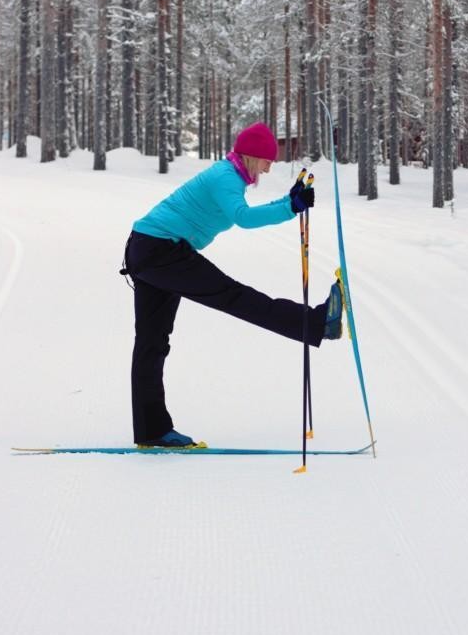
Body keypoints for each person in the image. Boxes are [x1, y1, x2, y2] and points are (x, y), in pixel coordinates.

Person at [123, 122, 343, 448]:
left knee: (152, 343)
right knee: (233, 296)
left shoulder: (230, 177)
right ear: (252, 156)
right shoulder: (225, 177)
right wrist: (289, 207)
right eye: (267, 159)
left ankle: (151, 431)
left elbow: (244, 211)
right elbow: (243, 218)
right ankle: (316, 323)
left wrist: (288, 202)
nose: (270, 166)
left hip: (150, 249)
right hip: (160, 251)